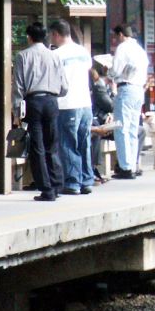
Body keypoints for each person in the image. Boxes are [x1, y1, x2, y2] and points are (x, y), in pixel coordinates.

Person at [13, 23, 68, 202]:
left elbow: (18, 86)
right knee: (52, 144)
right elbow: (64, 86)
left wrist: (17, 111)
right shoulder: (54, 56)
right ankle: (57, 184)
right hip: (51, 102)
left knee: (37, 147)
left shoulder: (22, 56)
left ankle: (46, 189)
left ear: (29, 37)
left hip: (33, 102)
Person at [50, 20, 94, 195]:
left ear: (56, 34)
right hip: (85, 103)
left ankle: (72, 182)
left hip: (67, 104)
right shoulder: (83, 52)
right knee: (85, 143)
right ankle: (87, 180)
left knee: (68, 143)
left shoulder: (57, 55)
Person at [107, 24, 149, 179]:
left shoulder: (123, 48)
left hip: (125, 88)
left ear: (120, 34)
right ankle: (132, 165)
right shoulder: (140, 50)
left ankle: (125, 167)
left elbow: (116, 70)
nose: (115, 39)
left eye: (116, 36)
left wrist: (109, 72)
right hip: (138, 90)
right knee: (132, 129)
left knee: (122, 128)